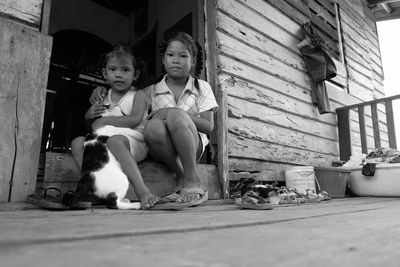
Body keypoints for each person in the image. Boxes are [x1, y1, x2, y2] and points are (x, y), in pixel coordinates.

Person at [91, 32, 218, 206]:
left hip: (192, 146)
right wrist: (102, 90)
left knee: (175, 115)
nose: (176, 60)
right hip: (161, 149)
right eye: (170, 55)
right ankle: (180, 175)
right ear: (163, 60)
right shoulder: (149, 92)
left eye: (183, 56)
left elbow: (209, 127)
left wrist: (173, 111)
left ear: (193, 61)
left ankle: (191, 177)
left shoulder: (201, 87)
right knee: (152, 126)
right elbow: (123, 93)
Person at [83, 44, 159, 209]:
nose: (118, 75)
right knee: (78, 143)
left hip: (133, 142)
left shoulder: (138, 95)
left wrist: (103, 122)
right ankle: (92, 189)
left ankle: (142, 191)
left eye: (125, 70)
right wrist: (88, 115)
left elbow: (135, 119)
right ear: (105, 73)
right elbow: (94, 126)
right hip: (106, 141)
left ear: (135, 74)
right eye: (113, 69)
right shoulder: (103, 96)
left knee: (115, 141)